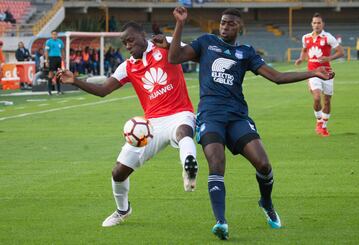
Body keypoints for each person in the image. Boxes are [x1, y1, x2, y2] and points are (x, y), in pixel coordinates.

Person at [167, 7, 335, 240]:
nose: (225, 26)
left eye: (231, 24)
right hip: (210, 116)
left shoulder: (246, 52)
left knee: (263, 164)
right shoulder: (206, 42)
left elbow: (276, 77)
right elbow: (174, 57)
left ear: (240, 28)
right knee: (216, 163)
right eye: (223, 22)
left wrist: (313, 73)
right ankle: (221, 222)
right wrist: (180, 24)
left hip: (237, 116)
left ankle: (266, 203)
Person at [57, 21, 199, 227]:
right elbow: (104, 90)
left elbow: (193, 53)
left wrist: (178, 27)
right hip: (150, 126)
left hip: (180, 113)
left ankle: (189, 168)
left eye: (131, 39)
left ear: (143, 35)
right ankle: (123, 210)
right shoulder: (127, 66)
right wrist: (75, 81)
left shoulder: (164, 44)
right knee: (118, 172)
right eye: (125, 43)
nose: (128, 45)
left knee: (184, 132)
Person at [295, 13, 344, 137]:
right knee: (317, 97)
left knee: (327, 101)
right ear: (311, 24)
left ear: (323, 24)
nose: (316, 25)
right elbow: (304, 49)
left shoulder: (328, 37)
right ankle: (318, 121)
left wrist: (329, 57)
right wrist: (301, 58)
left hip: (327, 74)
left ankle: (324, 126)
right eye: (314, 23)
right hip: (313, 73)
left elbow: (341, 52)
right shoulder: (306, 37)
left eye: (319, 23)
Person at [45, 30, 65, 95]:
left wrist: (63, 59)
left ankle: (58, 90)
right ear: (51, 35)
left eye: (55, 34)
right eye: (53, 34)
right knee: (51, 74)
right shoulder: (48, 42)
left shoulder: (60, 42)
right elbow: (46, 52)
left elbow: (62, 51)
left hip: (58, 58)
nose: (54, 35)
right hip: (52, 58)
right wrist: (47, 61)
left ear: (57, 35)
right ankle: (49, 91)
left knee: (58, 74)